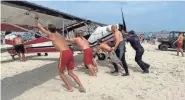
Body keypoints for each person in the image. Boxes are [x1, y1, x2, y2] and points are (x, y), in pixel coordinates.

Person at [35, 16, 85, 92]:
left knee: (61, 72)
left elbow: (38, 26)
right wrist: (47, 26)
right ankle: (81, 86)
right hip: (70, 52)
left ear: (49, 30)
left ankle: (70, 88)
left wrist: (36, 19)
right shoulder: (58, 34)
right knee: (70, 72)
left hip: (64, 53)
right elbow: (48, 28)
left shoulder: (51, 34)